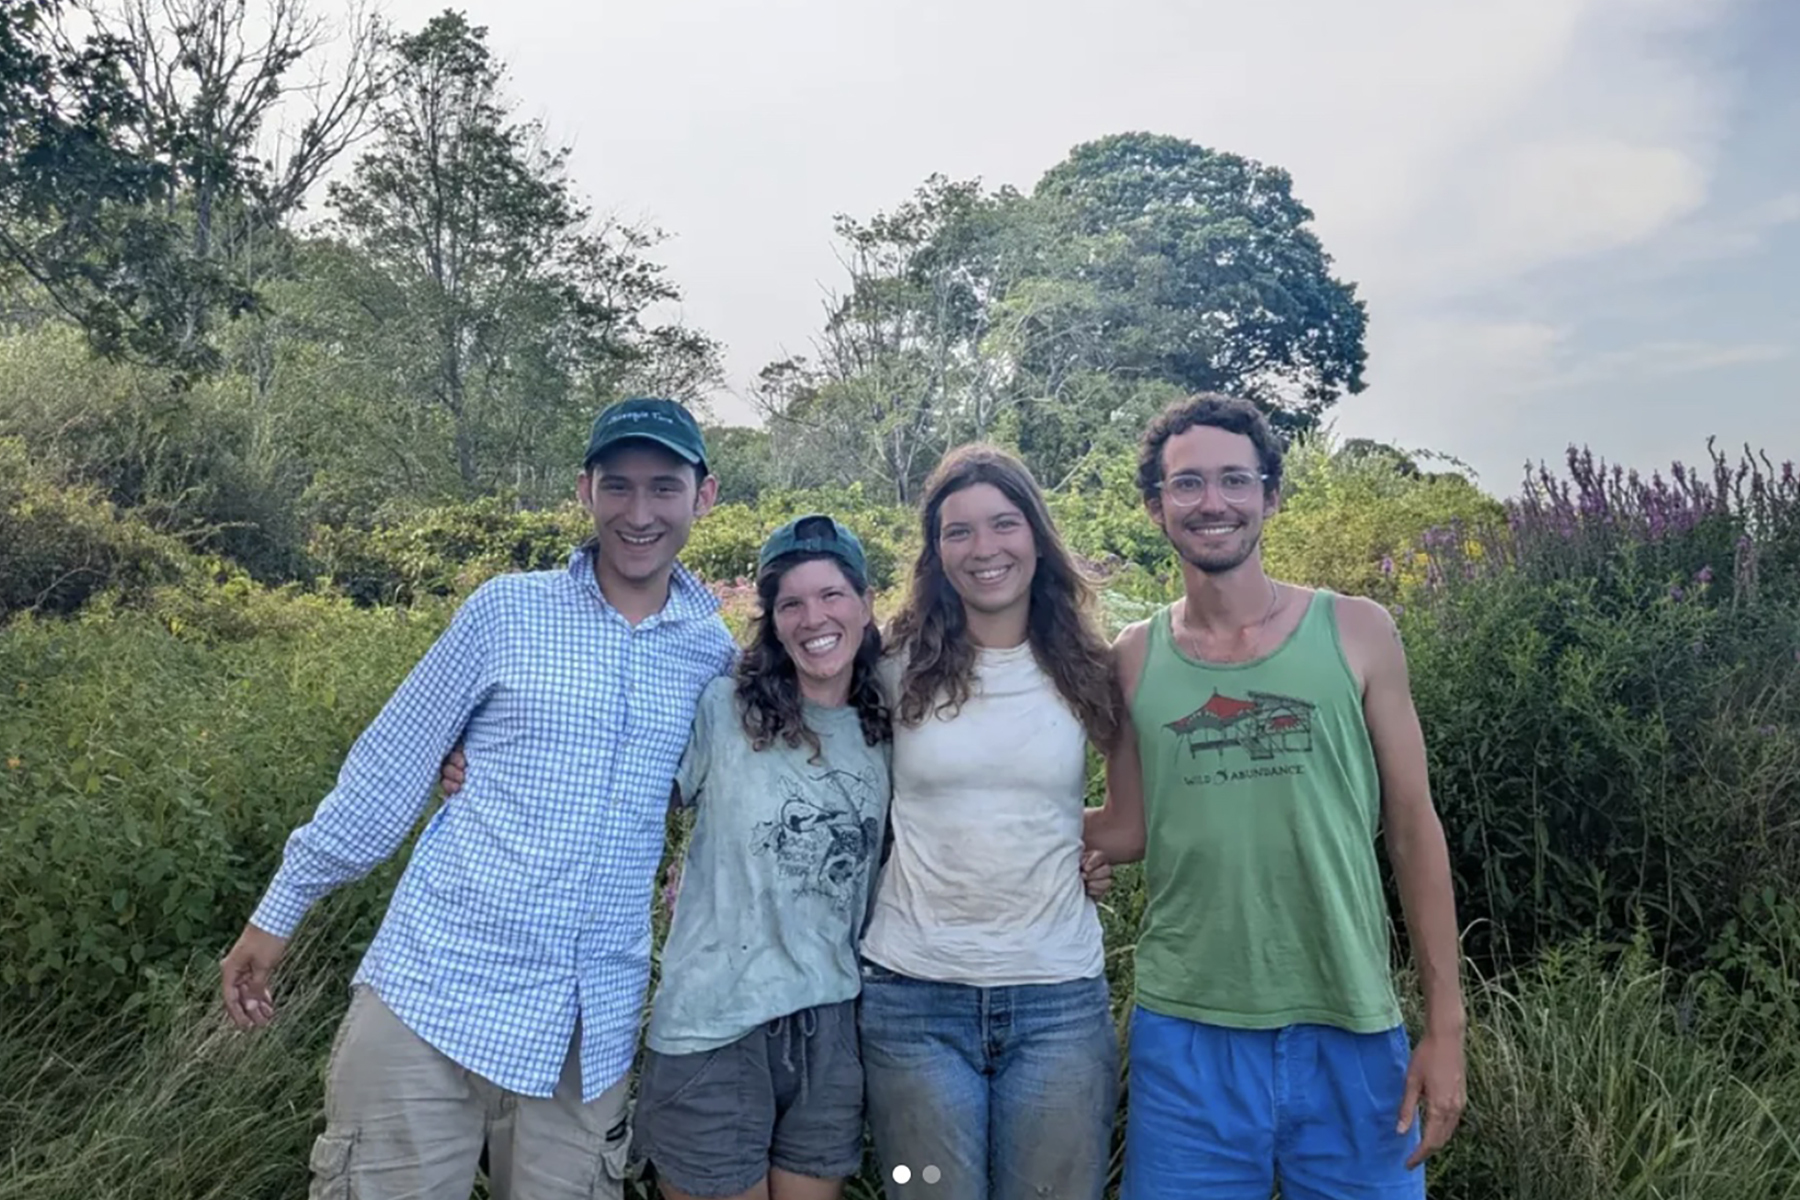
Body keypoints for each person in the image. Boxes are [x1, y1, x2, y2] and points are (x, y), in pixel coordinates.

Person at [217, 398, 738, 1200]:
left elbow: (742, 790)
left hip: (586, 1025)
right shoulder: (506, 612)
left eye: (664, 488)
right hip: (435, 991)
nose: (640, 514)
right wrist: (276, 916)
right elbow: (392, 763)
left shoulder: (714, 657)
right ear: (584, 491)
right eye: (618, 487)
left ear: (702, 497)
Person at [1083, 393, 1467, 1200]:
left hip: (1351, 1024)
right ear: (1155, 506)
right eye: (1187, 485)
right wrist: (1036, 840)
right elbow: (1128, 827)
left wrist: (1446, 1026)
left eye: (1234, 480)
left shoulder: (1359, 632)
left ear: (1270, 495)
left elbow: (1412, 830)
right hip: (1187, 1036)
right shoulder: (1132, 657)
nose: (1212, 502)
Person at [857, 444, 1126, 1200]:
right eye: (958, 532)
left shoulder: (1088, 669)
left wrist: (1083, 845)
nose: (984, 549)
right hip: (912, 999)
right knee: (925, 1192)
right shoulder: (892, 666)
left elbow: (1136, 813)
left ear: (1037, 537)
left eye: (1003, 524)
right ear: (936, 553)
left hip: (1058, 1002)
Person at [631, 515, 892, 1200]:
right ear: (772, 622)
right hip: (713, 1023)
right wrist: (478, 758)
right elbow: (619, 787)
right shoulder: (722, 709)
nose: (815, 618)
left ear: (866, 605)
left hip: (832, 1022)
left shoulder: (890, 727)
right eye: (792, 603)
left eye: (833, 595)